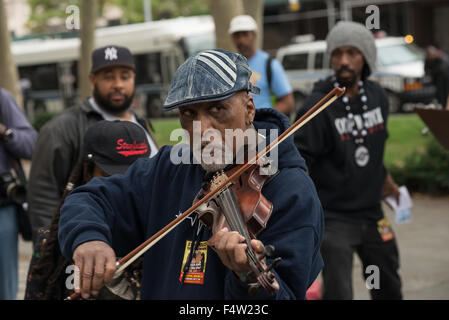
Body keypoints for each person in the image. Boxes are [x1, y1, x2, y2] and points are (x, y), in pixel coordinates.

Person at [58, 49, 324, 300]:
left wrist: (247, 278)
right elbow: (89, 198)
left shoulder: (291, 190)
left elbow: (284, 292)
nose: (201, 129)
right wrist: (89, 237)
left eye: (216, 109)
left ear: (249, 109)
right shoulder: (169, 166)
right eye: (189, 114)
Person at [294, 21, 402, 300]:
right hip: (334, 218)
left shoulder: (378, 96)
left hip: (372, 214)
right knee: (339, 292)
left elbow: (374, 149)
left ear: (365, 56)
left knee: (387, 283)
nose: (343, 61)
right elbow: (296, 161)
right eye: (337, 53)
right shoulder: (318, 106)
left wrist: (387, 181)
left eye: (352, 53)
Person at [28, 45, 158, 240]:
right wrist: (50, 246)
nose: (118, 84)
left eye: (125, 76)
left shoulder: (140, 124)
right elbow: (42, 197)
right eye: (108, 77)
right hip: (88, 245)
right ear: (92, 80)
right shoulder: (60, 129)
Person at [25, 120, 151, 300]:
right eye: (108, 177)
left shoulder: (161, 231)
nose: (120, 187)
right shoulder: (50, 241)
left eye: (132, 177)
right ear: (87, 172)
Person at [0, 88, 37, 299]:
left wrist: (5, 132)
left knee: (5, 288)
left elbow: (32, 145)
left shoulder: (1, 98)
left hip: (2, 208)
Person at [229, 15, 294, 115]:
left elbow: (287, 103)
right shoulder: (228, 66)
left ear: (254, 35)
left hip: (263, 128)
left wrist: (263, 118)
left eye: (245, 34)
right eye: (237, 35)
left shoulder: (270, 64)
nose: (241, 40)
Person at [424, 46, 449, 110]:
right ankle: (442, 106)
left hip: (445, 80)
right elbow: (426, 70)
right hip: (437, 81)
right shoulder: (428, 60)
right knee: (439, 95)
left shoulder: (441, 58)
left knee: (445, 95)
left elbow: (442, 69)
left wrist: (432, 71)